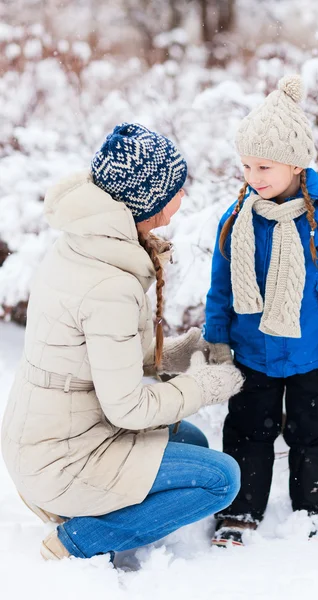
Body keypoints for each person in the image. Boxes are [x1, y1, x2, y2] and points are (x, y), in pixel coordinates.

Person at [1, 123, 244, 561]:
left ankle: (85, 509)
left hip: (56, 434)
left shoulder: (87, 243)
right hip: (63, 457)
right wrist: (203, 388)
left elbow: (97, 356)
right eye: (176, 188)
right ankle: (75, 541)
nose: (183, 195)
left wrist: (177, 353)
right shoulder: (109, 284)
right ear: (148, 204)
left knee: (190, 442)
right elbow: (128, 409)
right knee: (220, 479)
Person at [203, 75, 318, 546]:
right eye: (248, 165)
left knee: (315, 435)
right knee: (247, 433)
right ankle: (238, 512)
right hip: (253, 353)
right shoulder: (237, 221)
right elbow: (221, 287)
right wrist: (216, 337)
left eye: (265, 166)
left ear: (296, 163)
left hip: (311, 354)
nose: (255, 176)